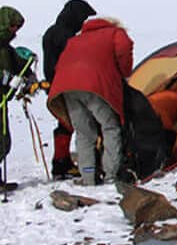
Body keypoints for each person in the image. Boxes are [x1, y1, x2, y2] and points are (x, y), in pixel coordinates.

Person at [47, 16, 133, 185]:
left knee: (84, 132)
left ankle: (88, 176)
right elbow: (124, 51)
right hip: (95, 86)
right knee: (110, 127)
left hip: (66, 87)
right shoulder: (116, 33)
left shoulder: (76, 39)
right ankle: (111, 174)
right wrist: (124, 73)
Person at [42, 0, 96, 179]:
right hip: (66, 85)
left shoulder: (52, 32)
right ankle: (62, 163)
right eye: (82, 18)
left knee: (65, 123)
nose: (83, 23)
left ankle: (61, 161)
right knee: (73, 123)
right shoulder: (65, 36)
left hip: (54, 84)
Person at [1, 6, 31, 190]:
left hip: (2, 98)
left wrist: (25, 65)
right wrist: (6, 78)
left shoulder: (5, 47)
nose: (14, 31)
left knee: (3, 139)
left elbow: (14, 62)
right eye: (12, 27)